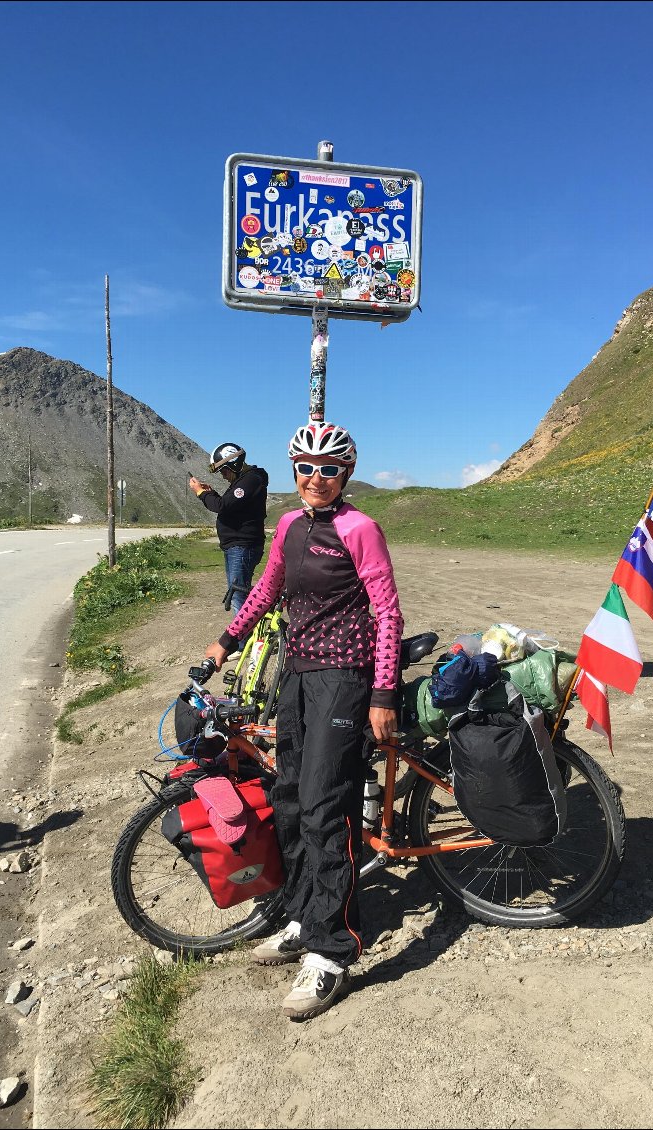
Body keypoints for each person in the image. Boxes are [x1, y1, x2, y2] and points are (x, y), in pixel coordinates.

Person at [203, 422, 404, 1021]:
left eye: (330, 468)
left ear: (347, 472)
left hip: (345, 678)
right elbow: (265, 592)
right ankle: (299, 916)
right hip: (295, 674)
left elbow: (388, 611)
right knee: (288, 798)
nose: (316, 479)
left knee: (324, 807)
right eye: (306, 469)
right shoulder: (290, 526)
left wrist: (384, 693)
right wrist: (223, 645)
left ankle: (334, 949)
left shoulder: (359, 528)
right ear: (294, 472)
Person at [189, 443, 268, 621]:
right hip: (237, 547)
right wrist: (211, 493)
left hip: (242, 547)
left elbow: (222, 506)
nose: (224, 476)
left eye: (224, 471)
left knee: (238, 595)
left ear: (234, 464)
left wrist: (201, 493)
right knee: (239, 591)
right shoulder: (245, 481)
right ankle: (249, 634)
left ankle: (242, 642)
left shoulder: (250, 480)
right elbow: (229, 505)